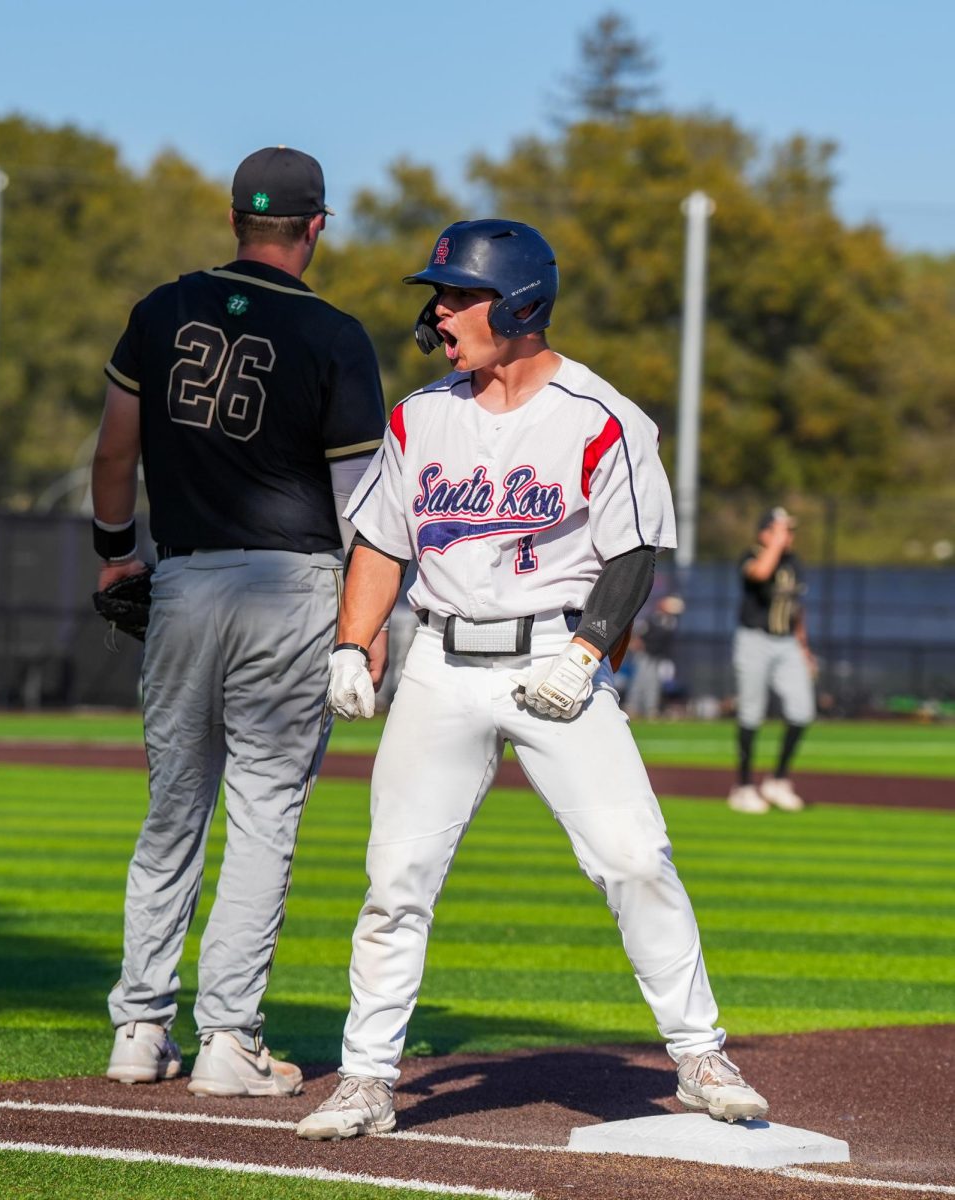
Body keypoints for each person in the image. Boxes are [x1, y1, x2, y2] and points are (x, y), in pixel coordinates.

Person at [294, 219, 768, 1140]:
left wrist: (587, 651)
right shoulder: (420, 415)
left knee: (633, 856)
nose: (436, 311)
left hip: (556, 654)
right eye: (439, 295)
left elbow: (634, 554)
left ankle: (700, 1051)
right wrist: (352, 644)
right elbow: (382, 541)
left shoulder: (602, 418)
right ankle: (365, 1077)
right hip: (436, 661)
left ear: (517, 305)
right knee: (395, 878)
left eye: (456, 294)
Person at [91, 146, 386, 1096]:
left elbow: (115, 449)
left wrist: (113, 551)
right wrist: (364, 622)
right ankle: (228, 1040)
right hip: (292, 589)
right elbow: (359, 502)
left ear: (232, 221)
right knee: (262, 815)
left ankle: (139, 1028)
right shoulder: (336, 335)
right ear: (316, 227)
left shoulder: (159, 309)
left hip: (182, 582)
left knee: (172, 812)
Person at [727, 507, 816, 814]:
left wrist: (804, 648)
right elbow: (760, 573)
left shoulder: (794, 563)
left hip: (787, 642)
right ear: (764, 532)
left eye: (789, 531)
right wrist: (774, 545)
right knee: (751, 713)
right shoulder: (752, 554)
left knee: (802, 710)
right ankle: (743, 786)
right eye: (781, 530)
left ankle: (777, 780)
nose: (788, 536)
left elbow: (795, 607)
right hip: (754, 640)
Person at [624, 593, 685, 719]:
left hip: (658, 656)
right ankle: (633, 707)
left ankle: (651, 708)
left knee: (654, 683)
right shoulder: (652, 618)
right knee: (639, 681)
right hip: (645, 654)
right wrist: (636, 645)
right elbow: (638, 634)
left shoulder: (671, 622)